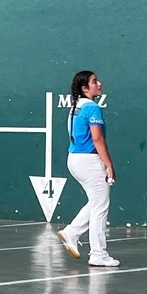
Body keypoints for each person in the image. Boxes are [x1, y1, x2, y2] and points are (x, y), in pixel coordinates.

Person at [57, 70, 118, 267]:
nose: (99, 84)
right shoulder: (92, 107)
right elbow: (97, 138)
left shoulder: (76, 106)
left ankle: (71, 232)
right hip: (89, 161)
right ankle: (98, 254)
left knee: (96, 202)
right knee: (100, 206)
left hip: (74, 159)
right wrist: (108, 164)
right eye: (94, 81)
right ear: (85, 88)